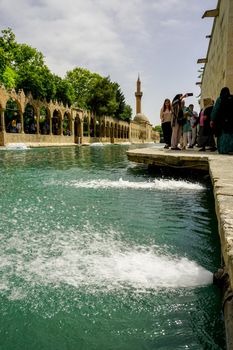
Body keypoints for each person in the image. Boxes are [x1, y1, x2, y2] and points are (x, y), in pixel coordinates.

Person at [211, 87, 233, 154]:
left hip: (222, 121)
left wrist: (212, 119)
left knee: (222, 135)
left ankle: (223, 150)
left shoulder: (220, 99)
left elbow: (215, 110)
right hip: (231, 121)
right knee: (231, 135)